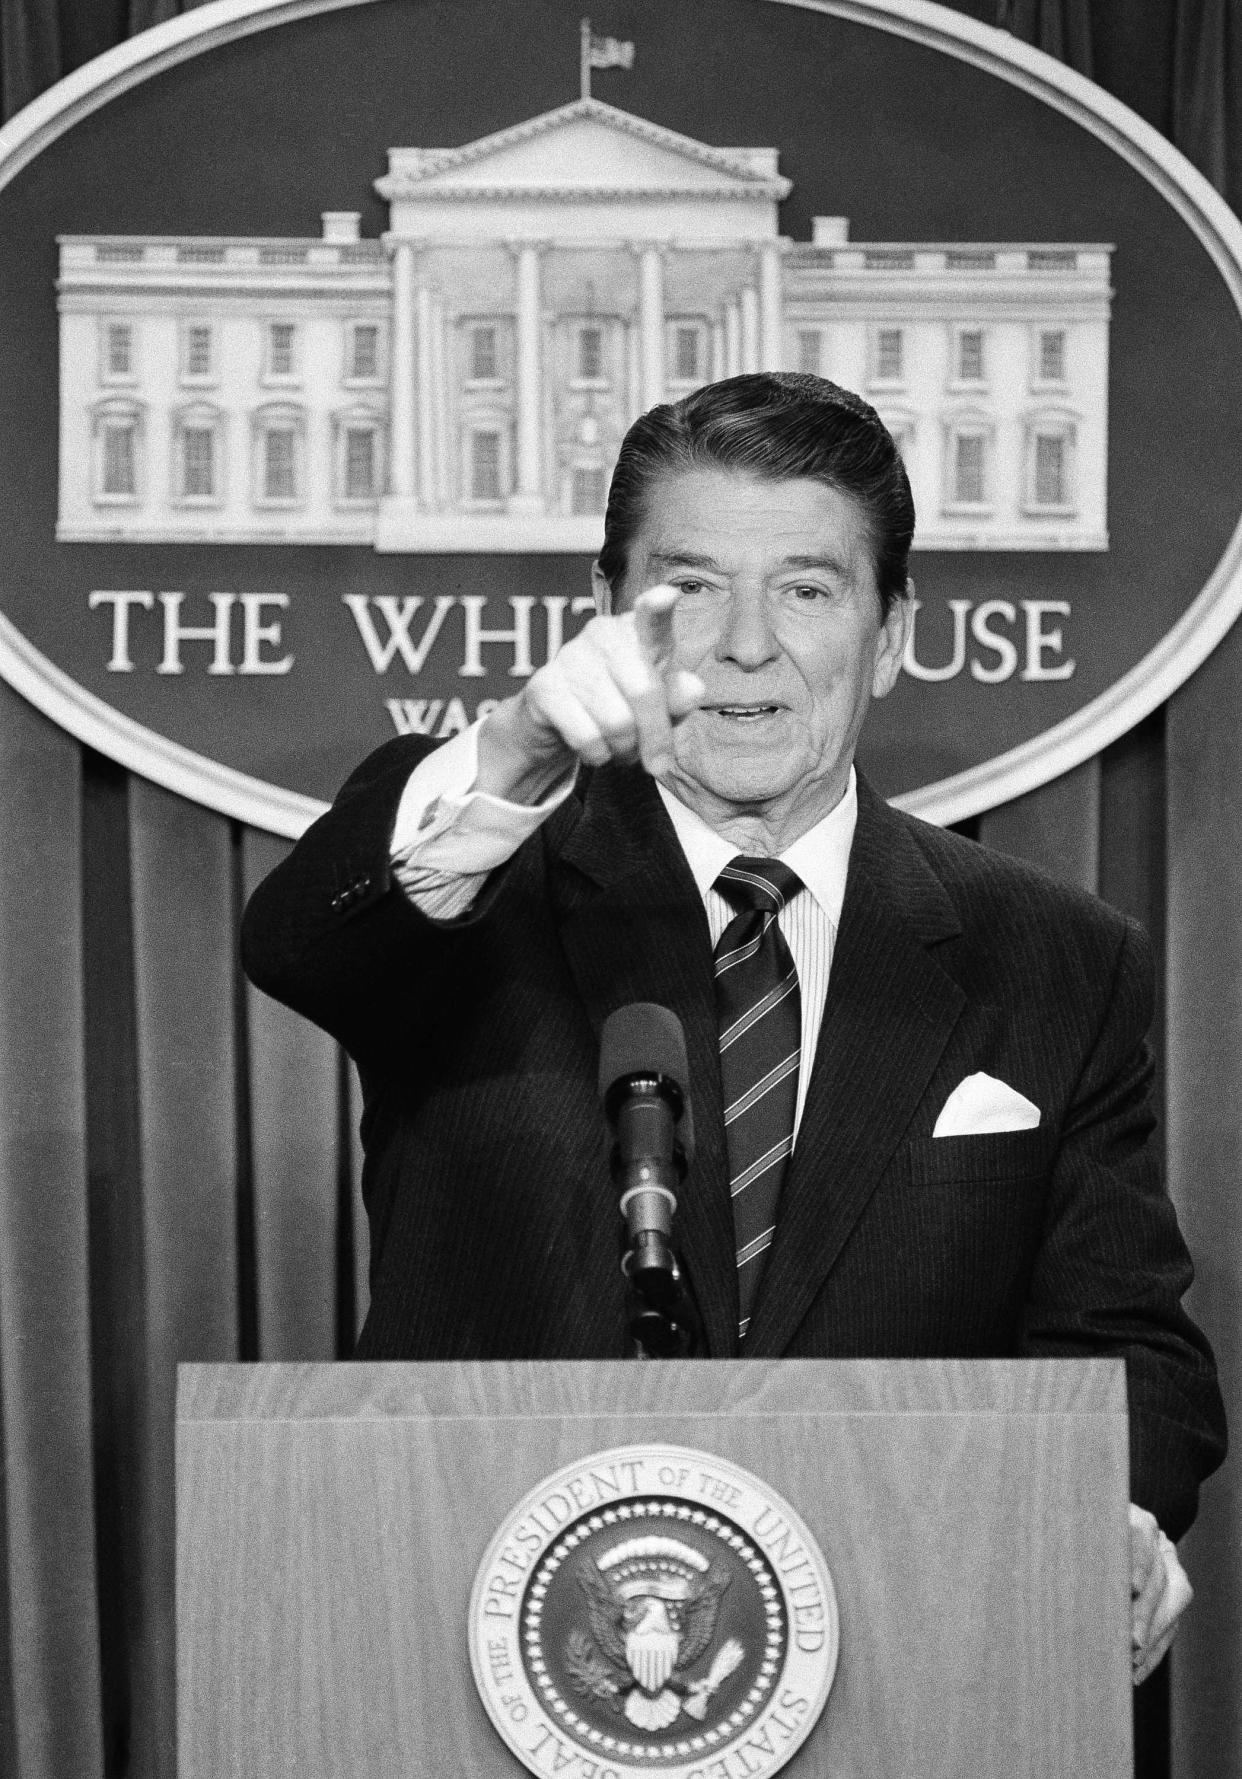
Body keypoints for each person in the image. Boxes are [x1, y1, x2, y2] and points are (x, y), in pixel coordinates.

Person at [242, 372, 1225, 1684]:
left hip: (910, 1662)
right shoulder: (474, 879)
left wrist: (1114, 1511)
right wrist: (507, 757)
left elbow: (1125, 1341)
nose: (745, 645)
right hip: (473, 1653)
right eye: (691, 587)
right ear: (606, 615)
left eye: (808, 590)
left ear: (885, 637)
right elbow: (299, 942)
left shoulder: (1052, 957)